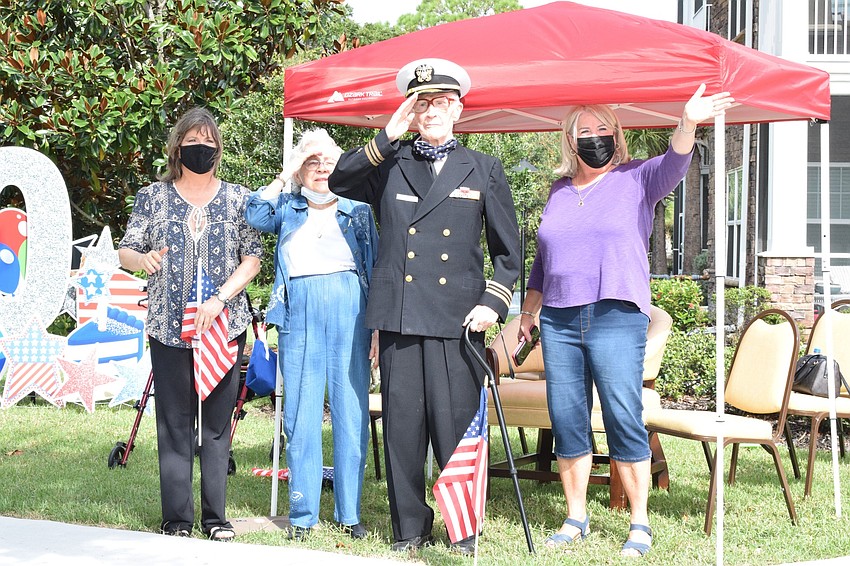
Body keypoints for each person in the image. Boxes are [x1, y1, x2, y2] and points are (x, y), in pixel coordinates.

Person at [517, 84, 735, 557]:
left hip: (617, 315)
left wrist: (688, 122)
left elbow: (677, 160)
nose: (595, 137)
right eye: (585, 130)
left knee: (621, 415)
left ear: (617, 136)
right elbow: (542, 261)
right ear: (569, 141)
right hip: (557, 318)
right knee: (568, 419)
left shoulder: (638, 179)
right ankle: (576, 517)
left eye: (604, 129)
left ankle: (639, 522)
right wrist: (528, 312)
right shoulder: (557, 190)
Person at [328, 58, 521, 554]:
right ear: (410, 111)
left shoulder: (483, 168)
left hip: (459, 321)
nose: (431, 111)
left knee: (456, 426)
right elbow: (339, 181)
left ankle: (463, 529)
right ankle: (409, 528)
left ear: (458, 108)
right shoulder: (390, 163)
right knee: (402, 430)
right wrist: (387, 134)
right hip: (400, 315)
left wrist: (492, 304)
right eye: (421, 103)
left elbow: (508, 253)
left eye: (440, 102)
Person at [119, 107, 262, 541]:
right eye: (192, 141)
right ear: (177, 147)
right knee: (174, 423)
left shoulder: (240, 198)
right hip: (166, 325)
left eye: (209, 141)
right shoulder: (152, 197)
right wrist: (142, 260)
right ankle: (177, 519)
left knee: (217, 427)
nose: (202, 148)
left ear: (218, 149)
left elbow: (252, 259)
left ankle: (216, 518)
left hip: (222, 326)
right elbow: (126, 249)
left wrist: (221, 299)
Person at [244, 129, 379, 540]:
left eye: (329, 162)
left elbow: (375, 268)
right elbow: (254, 213)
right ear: (299, 170)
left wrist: (374, 326)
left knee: (350, 410)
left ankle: (349, 511)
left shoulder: (358, 210)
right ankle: (302, 514)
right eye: (311, 162)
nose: (321, 169)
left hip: (350, 308)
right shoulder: (286, 206)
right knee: (301, 413)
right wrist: (286, 173)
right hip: (298, 308)